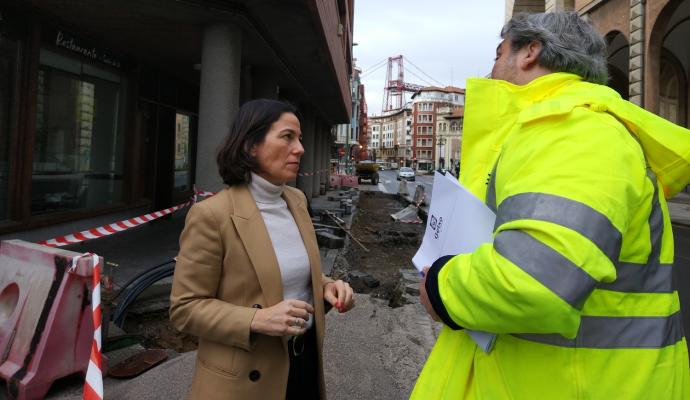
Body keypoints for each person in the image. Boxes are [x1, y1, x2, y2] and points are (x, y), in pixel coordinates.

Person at [414, 11, 690, 400]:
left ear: (530, 52)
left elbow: (536, 279)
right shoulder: (561, 129)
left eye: (498, 53)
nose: (490, 69)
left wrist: (442, 285)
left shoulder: (572, 129)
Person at [170, 99, 354, 400]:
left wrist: (328, 287)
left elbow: (294, 273)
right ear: (250, 146)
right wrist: (255, 320)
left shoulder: (295, 201)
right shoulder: (212, 215)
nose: (300, 149)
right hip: (243, 380)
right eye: (287, 137)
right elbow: (184, 308)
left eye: (300, 139)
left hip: (303, 360)